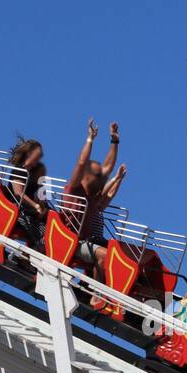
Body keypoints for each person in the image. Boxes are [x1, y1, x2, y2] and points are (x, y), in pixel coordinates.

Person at [64, 118, 126, 276]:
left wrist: (114, 140)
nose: (101, 178)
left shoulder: (93, 197)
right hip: (72, 242)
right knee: (108, 256)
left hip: (91, 242)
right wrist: (90, 139)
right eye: (97, 175)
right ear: (85, 176)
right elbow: (81, 162)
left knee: (123, 255)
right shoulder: (74, 189)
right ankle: (96, 297)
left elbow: (108, 167)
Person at [9, 136, 48, 248]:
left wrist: (42, 202)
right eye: (38, 154)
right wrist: (35, 206)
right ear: (29, 153)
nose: (40, 157)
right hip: (20, 211)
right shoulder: (19, 170)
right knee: (46, 233)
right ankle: (29, 256)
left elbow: (41, 193)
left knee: (52, 223)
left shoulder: (33, 174)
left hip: (31, 212)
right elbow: (18, 193)